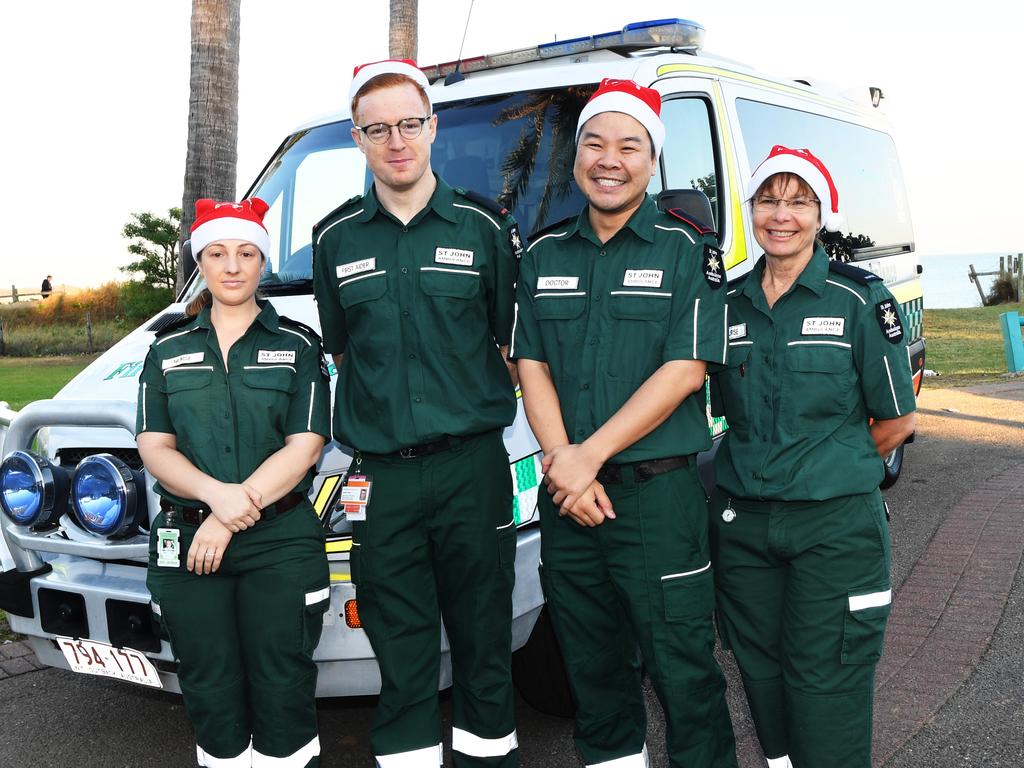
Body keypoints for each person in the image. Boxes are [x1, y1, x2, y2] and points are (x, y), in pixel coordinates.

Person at [511, 78, 738, 768]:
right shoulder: (544, 253)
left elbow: (686, 370)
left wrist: (586, 457)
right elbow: (531, 366)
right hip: (569, 501)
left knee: (683, 667)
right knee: (593, 668)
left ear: (651, 160)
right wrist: (564, 464)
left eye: (629, 145)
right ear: (577, 157)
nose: (610, 159)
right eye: (595, 143)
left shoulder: (684, 248)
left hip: (655, 497)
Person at [311, 59, 522, 767]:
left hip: (473, 471)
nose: (396, 140)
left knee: (484, 644)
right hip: (383, 480)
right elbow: (344, 352)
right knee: (400, 655)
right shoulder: (334, 239)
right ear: (358, 138)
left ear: (432, 128)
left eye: (409, 124)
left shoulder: (484, 229)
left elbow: (508, 339)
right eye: (378, 129)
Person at [708, 146, 918, 768]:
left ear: (820, 214)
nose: (781, 215)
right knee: (763, 679)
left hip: (833, 528)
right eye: (768, 200)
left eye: (798, 201)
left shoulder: (857, 299)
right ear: (751, 211)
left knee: (826, 682)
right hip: (744, 530)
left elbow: (897, 420)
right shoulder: (730, 303)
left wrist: (831, 466)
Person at [136, 198, 332, 768]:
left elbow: (306, 445)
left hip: (279, 540)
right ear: (200, 260)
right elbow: (154, 446)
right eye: (217, 253)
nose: (232, 265)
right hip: (186, 543)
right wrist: (215, 500)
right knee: (209, 684)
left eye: (246, 253)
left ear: (262, 263)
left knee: (283, 682)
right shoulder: (166, 349)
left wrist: (226, 514)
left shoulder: (299, 346)